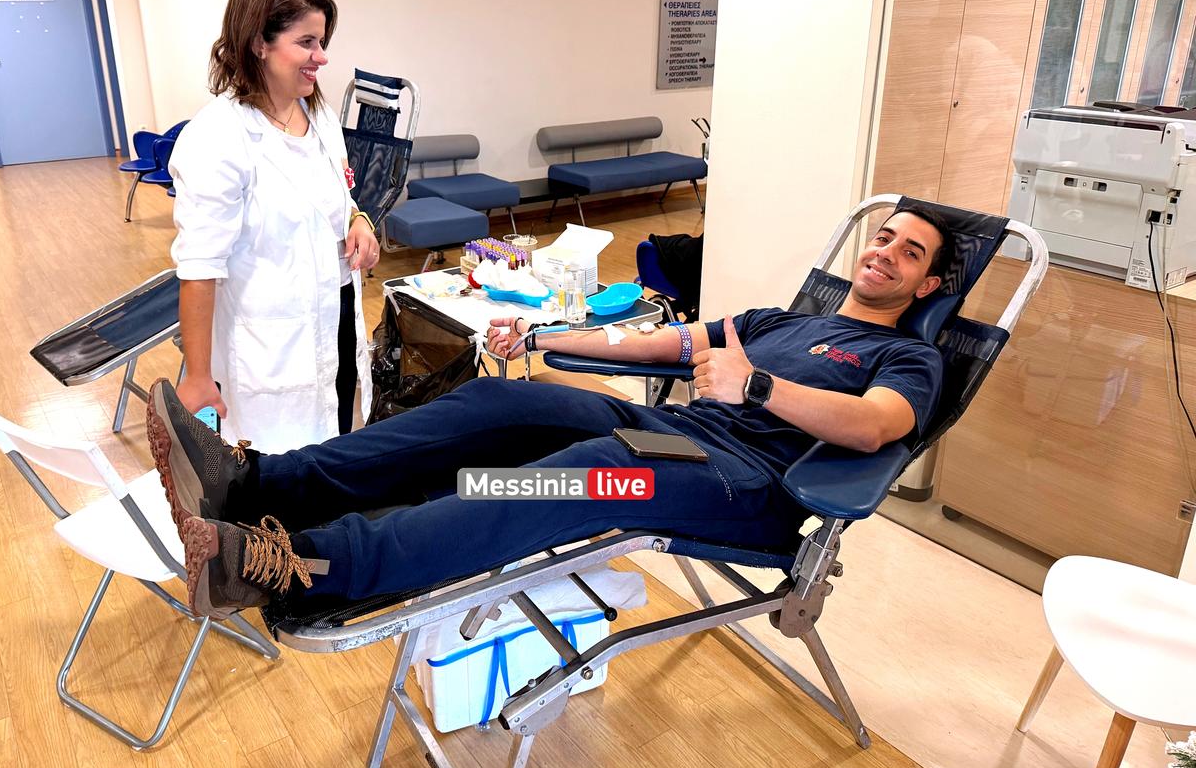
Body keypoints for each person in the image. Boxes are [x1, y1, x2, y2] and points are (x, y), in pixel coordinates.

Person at [147, 208, 954, 620]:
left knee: (559, 481)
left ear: (926, 288)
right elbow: (667, 344)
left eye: (909, 252)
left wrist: (759, 388)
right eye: (883, 238)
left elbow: (876, 428)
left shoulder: (911, 358)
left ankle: (303, 565)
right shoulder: (782, 320)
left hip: (747, 483)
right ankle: (263, 480)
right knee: (500, 401)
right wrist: (546, 336)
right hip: (678, 435)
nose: (885, 252)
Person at [167, 0, 379, 456]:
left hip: (337, 313)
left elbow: (339, 198)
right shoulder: (218, 137)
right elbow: (199, 267)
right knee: (279, 462)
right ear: (259, 43)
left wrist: (358, 221)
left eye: (321, 42)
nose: (321, 57)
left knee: (336, 441)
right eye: (306, 42)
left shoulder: (319, 116)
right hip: (270, 340)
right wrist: (198, 376)